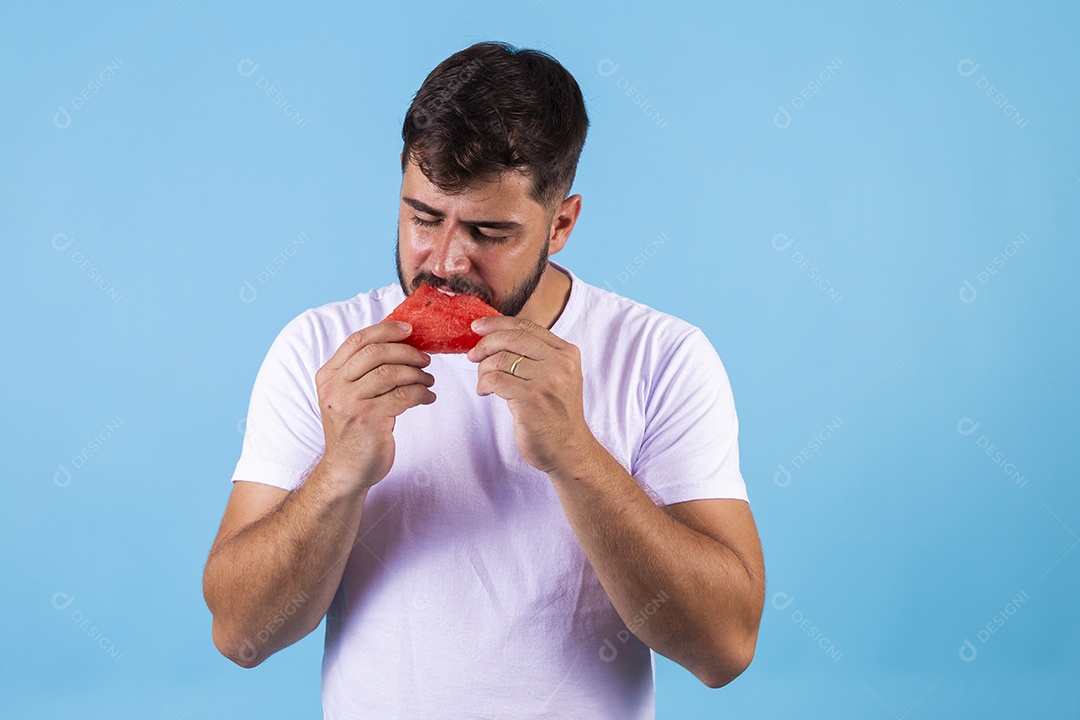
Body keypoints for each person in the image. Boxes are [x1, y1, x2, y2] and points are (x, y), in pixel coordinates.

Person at [203, 41, 764, 719]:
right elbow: (240, 634)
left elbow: (724, 649)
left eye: (490, 232)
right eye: (423, 217)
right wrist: (339, 473)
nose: (445, 262)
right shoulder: (321, 350)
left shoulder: (663, 355)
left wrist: (577, 457)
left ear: (560, 224)